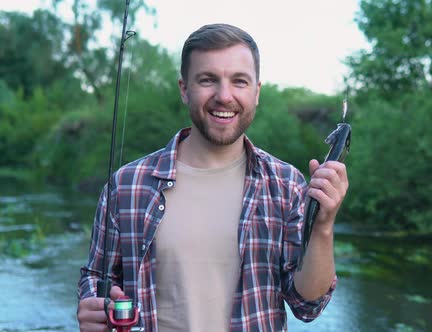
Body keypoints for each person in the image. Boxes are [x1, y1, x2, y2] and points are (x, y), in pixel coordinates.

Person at [77, 23, 348, 332]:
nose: (224, 95)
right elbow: (96, 277)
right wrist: (92, 307)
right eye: (208, 80)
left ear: (256, 92)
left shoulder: (287, 185)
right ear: (184, 88)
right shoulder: (126, 185)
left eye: (239, 81)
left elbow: (307, 305)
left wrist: (323, 227)